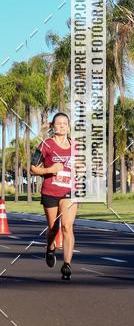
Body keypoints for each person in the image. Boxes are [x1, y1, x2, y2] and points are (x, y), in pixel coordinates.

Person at [30, 112, 78, 280]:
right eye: (58, 123)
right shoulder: (45, 145)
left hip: (69, 192)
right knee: (53, 228)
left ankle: (67, 265)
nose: (62, 125)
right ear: (52, 126)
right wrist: (50, 170)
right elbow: (32, 168)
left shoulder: (76, 146)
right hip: (50, 191)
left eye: (65, 123)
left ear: (69, 126)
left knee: (67, 226)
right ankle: (50, 248)